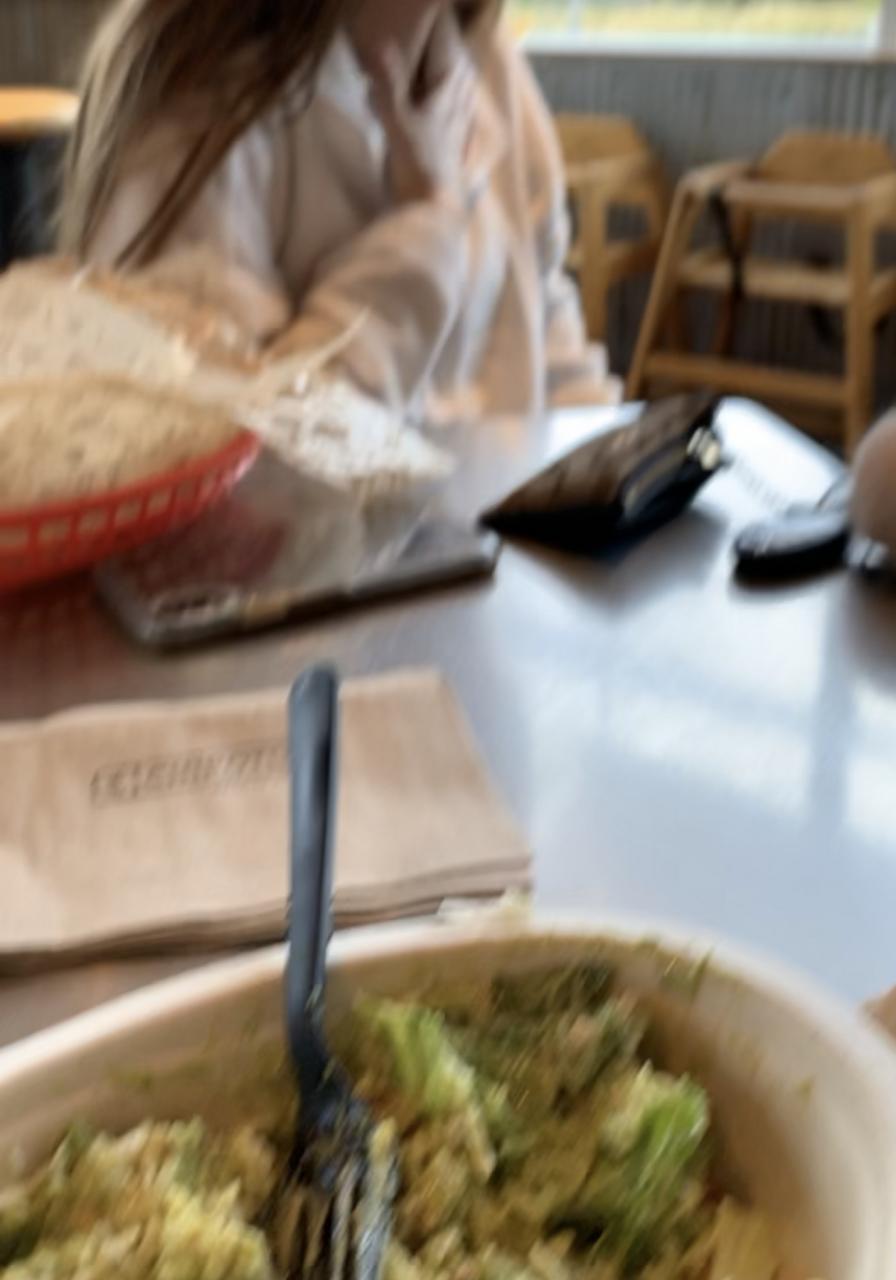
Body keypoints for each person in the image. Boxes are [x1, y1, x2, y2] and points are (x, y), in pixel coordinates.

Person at [60, 0, 618, 424]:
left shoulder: (481, 50)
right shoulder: (197, 79)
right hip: (329, 547)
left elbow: (542, 323)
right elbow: (232, 462)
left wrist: (607, 466)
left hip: (488, 538)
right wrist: (430, 223)